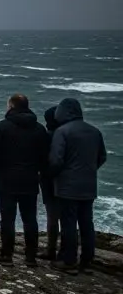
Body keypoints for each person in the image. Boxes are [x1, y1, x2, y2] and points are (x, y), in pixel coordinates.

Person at [0, 94, 47, 267]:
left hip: (6, 179)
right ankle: (31, 257)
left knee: (7, 219)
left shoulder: (1, 127)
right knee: (30, 218)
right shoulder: (39, 129)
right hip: (30, 178)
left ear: (11, 106)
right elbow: (45, 155)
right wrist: (38, 170)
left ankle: (7, 254)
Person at [49, 98, 107, 275]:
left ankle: (68, 260)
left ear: (63, 112)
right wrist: (88, 171)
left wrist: (53, 175)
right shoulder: (94, 131)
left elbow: (56, 160)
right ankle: (87, 261)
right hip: (88, 185)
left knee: (68, 223)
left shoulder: (62, 131)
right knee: (87, 223)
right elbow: (102, 157)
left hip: (67, 186)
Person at [41, 106, 64, 261]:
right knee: (68, 217)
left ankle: (51, 249)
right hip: (69, 179)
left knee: (52, 216)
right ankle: (66, 250)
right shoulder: (67, 134)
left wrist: (44, 173)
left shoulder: (48, 136)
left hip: (49, 180)